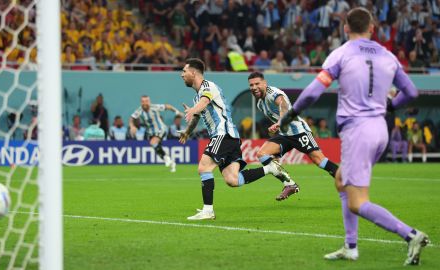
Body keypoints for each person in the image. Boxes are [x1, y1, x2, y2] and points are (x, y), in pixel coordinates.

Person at [279, 7, 429, 265]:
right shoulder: (388, 56)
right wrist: (390, 106)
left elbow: (314, 93)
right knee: (340, 180)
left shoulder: (341, 54)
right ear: (372, 28)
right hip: (380, 129)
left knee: (358, 202)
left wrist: (291, 115)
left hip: (358, 131)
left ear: (345, 28)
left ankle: (411, 235)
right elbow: (412, 93)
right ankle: (350, 246)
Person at [179, 58, 288, 221]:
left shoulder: (208, 86)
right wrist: (187, 132)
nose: (182, 75)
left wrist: (194, 109)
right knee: (232, 180)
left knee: (204, 167)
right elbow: (196, 115)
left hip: (223, 134)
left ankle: (208, 210)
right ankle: (270, 169)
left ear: (193, 73)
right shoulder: (197, 98)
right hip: (231, 138)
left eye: (184, 71)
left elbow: (205, 100)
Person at [248, 72, 339, 201]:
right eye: (251, 85)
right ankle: (289, 184)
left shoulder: (272, 92)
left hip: (299, 131)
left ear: (264, 83)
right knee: (262, 154)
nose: (254, 87)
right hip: (284, 135)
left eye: (257, 83)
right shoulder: (260, 104)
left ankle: (346, 180)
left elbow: (283, 105)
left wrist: (280, 122)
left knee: (319, 160)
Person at [129, 95, 183, 172]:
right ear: (141, 102)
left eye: (146, 101)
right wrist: (132, 126)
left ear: (149, 102)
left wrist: (177, 111)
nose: (145, 103)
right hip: (151, 132)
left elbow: (168, 106)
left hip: (161, 129)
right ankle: (171, 162)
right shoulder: (139, 110)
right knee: (156, 147)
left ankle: (166, 158)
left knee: (153, 142)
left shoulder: (154, 107)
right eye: (143, 101)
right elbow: (132, 118)